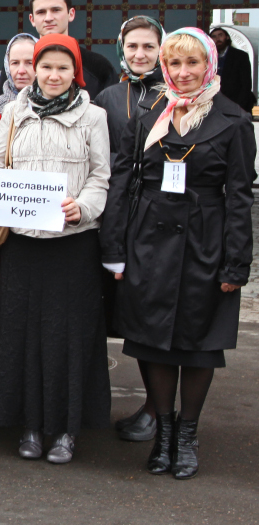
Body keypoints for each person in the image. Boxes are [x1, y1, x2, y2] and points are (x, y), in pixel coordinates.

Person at [102, 27, 254, 480]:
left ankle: (187, 436)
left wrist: (236, 262)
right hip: (148, 240)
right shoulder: (150, 114)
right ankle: (164, 435)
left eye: (192, 64)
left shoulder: (233, 119)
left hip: (207, 241)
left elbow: (241, 196)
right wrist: (116, 249)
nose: (183, 73)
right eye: (175, 65)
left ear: (209, 65)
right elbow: (122, 180)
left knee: (198, 343)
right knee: (152, 341)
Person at [0, 33, 111, 464]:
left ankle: (66, 430)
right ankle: (30, 426)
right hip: (22, 245)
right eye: (46, 66)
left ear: (76, 72)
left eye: (62, 68)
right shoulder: (14, 112)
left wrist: (83, 207)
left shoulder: (94, 117)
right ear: (34, 68)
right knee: (23, 336)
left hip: (71, 248)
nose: (53, 75)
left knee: (67, 339)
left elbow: (100, 177)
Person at [92, 17, 164, 442]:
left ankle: (156, 408)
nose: (140, 54)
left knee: (147, 320)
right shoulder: (107, 96)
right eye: (132, 46)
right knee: (104, 312)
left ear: (161, 49)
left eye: (148, 46)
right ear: (121, 48)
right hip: (109, 213)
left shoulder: (173, 95)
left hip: (153, 220)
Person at [26, 0, 116, 95]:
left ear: (71, 14)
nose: (48, 18)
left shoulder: (98, 66)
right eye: (41, 12)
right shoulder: (18, 63)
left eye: (56, 10)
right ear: (32, 19)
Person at [0, 34, 37, 113]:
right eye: (15, 63)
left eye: (29, 63)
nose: (21, 71)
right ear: (7, 66)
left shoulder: (54, 106)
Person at [208, 26, 255, 111]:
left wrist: (240, 105)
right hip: (213, 103)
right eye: (214, 36)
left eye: (220, 35)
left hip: (235, 102)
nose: (217, 38)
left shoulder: (240, 56)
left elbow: (246, 83)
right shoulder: (208, 57)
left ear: (227, 37)